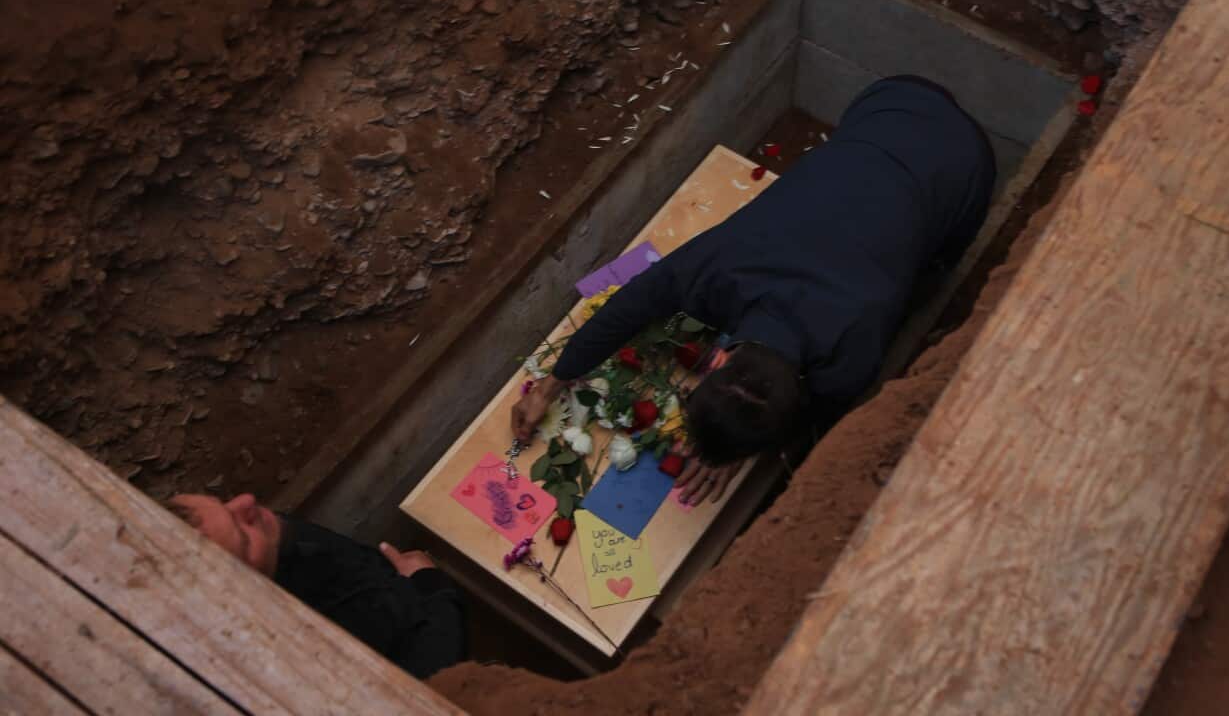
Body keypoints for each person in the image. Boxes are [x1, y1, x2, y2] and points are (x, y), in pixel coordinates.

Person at [512, 75, 995, 506]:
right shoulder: (724, 271)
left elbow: (815, 419)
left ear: (718, 358)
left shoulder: (852, 349)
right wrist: (553, 385)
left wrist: (738, 450)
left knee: (930, 273)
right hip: (888, 103)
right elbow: (630, 306)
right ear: (717, 362)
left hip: (953, 157)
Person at [169, 492, 466, 678]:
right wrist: (430, 585)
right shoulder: (320, 654)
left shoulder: (274, 538)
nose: (246, 500)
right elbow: (435, 673)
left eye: (223, 502)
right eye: (244, 538)